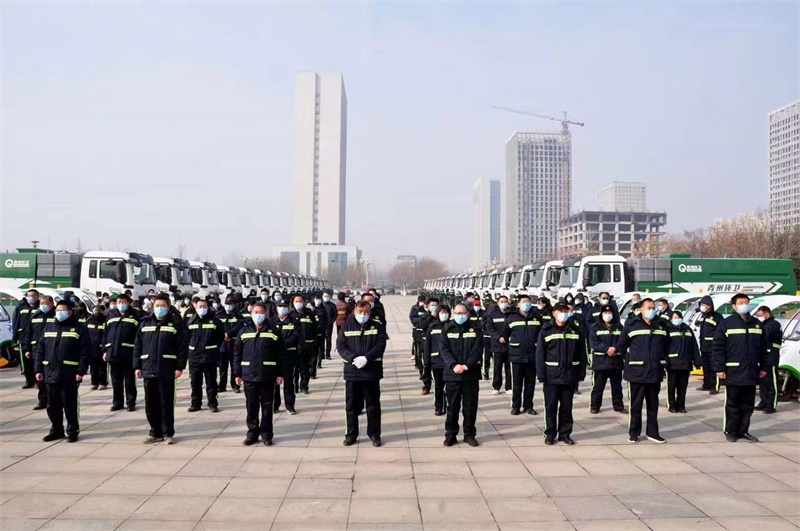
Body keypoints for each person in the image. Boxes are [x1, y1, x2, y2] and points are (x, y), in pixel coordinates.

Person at [713, 294, 768, 443]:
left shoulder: (757, 324)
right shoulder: (726, 324)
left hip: (751, 370)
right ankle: (730, 430)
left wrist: (764, 367)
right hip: (733, 371)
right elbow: (718, 347)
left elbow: (763, 348)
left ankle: (743, 430)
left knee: (748, 404)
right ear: (734, 306)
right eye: (741, 302)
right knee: (733, 403)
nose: (744, 305)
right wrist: (719, 368)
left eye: (746, 302)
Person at [34, 300, 92, 442]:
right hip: (50, 372)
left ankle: (72, 431)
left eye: (62, 310)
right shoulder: (49, 327)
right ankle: (56, 430)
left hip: (69, 373)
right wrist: (38, 369)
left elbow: (85, 351)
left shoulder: (78, 328)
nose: (59, 313)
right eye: (57, 310)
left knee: (69, 404)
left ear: (70, 312)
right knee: (52, 405)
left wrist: (81, 371)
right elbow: (40, 349)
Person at [133, 293, 186, 444]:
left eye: (163, 306)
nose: (160, 308)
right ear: (153, 307)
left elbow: (181, 347)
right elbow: (137, 346)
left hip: (166, 369)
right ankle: (155, 432)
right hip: (148, 368)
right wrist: (137, 366)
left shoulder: (175, 324)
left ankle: (168, 433)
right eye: (157, 306)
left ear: (168, 307)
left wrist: (179, 367)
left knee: (166, 402)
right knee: (151, 404)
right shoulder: (144, 323)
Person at [618, 298, 669, 444]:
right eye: (648, 308)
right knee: (636, 405)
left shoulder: (661, 325)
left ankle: (653, 433)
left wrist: (662, 361)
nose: (652, 310)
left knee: (653, 405)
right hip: (636, 372)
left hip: (654, 371)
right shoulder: (632, 325)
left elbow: (667, 346)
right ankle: (634, 432)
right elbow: (622, 346)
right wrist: (632, 360)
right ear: (641, 309)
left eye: (653, 308)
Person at [338, 300, 387, 447]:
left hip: (371, 372)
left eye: (366, 312)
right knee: (351, 406)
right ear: (355, 312)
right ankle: (351, 434)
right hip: (352, 373)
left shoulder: (377, 326)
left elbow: (380, 345)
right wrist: (353, 358)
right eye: (360, 312)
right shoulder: (346, 327)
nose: (363, 314)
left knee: (373, 406)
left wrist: (367, 358)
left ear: (370, 312)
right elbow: (341, 346)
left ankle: (374, 434)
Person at [235, 302, 284, 446]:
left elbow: (281, 354)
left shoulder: (273, 331)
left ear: (266, 314)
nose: (258, 315)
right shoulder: (244, 331)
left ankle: (266, 434)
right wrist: (237, 374)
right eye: (255, 312)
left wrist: (280, 373)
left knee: (267, 407)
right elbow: (237, 353)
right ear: (251, 314)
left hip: (267, 374)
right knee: (251, 406)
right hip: (249, 374)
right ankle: (252, 433)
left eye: (261, 312)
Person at [536, 302, 586, 445]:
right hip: (551, 376)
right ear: (554, 313)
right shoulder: (546, 330)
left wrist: (581, 372)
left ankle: (565, 434)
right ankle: (550, 433)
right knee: (550, 407)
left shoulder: (575, 330)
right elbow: (540, 354)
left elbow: (581, 353)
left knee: (566, 407)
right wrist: (541, 374)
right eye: (560, 311)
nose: (564, 314)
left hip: (569, 375)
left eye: (566, 311)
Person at [440, 303, 483, 447]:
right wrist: (454, 365)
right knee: (452, 407)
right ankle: (450, 435)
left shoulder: (476, 329)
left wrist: (467, 365)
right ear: (453, 314)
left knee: (470, 407)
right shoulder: (447, 329)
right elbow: (444, 350)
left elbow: (477, 350)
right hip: (452, 375)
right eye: (458, 313)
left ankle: (469, 435)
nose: (460, 316)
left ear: (467, 314)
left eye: (463, 313)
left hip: (470, 374)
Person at [104, 293, 141, 412]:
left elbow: (139, 336)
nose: (121, 304)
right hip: (113, 353)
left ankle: (131, 402)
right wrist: (105, 350)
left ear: (129, 302)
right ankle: (117, 402)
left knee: (129, 380)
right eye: (119, 302)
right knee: (116, 381)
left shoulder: (135, 316)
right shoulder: (111, 315)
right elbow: (105, 334)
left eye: (123, 302)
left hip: (128, 353)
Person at [505, 295, 542, 416]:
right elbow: (505, 334)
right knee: (516, 384)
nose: (526, 303)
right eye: (523, 301)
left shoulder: (536, 317)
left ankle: (528, 406)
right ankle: (515, 406)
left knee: (530, 383)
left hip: (532, 355)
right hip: (516, 355)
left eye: (528, 301)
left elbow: (541, 334)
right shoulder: (511, 318)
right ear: (518, 304)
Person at [185, 298, 224, 413]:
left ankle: (212, 403)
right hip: (195, 357)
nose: (202, 309)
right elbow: (187, 337)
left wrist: (213, 348)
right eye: (200, 307)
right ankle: (195, 403)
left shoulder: (215, 321)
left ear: (208, 307)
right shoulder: (191, 321)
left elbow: (220, 337)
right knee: (195, 383)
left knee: (211, 382)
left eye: (204, 306)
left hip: (209, 357)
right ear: (195, 308)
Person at [588, 304, 626, 414]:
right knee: (598, 387)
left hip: (616, 361)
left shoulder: (619, 327)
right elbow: (594, 343)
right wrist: (606, 349)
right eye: (605, 313)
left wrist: (615, 348)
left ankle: (618, 406)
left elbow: (623, 340)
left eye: (609, 313)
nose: (607, 315)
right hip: (601, 362)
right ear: (601, 314)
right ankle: (595, 406)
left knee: (617, 387)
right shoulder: (595, 327)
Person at [23, 295, 56, 410]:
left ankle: (53, 401)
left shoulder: (56, 315)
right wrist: (27, 349)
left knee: (51, 377)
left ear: (52, 304)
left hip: (51, 350)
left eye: (46, 304)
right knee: (39, 376)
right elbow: (28, 333)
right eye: (41, 303)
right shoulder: (35, 316)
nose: (43, 306)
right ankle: (42, 401)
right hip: (37, 350)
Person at [665, 310, 700, 413]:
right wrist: (664, 360)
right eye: (675, 318)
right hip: (672, 363)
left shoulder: (687, 329)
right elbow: (663, 347)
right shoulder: (667, 329)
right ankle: (671, 405)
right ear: (671, 319)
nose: (677, 319)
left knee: (683, 386)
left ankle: (681, 405)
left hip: (685, 362)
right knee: (672, 386)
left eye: (679, 317)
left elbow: (694, 346)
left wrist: (697, 361)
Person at [271, 301, 299, 414]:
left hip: (288, 355)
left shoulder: (294, 322)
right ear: (276, 308)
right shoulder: (271, 321)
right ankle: (275, 405)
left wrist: (283, 344)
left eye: (284, 306)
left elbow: (296, 336)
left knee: (288, 382)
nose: (282, 308)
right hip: (274, 356)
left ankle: (290, 405)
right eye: (280, 306)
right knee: (274, 382)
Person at [424, 304, 450, 416]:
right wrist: (426, 363)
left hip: (450, 362)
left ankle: (449, 406)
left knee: (450, 387)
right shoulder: (432, 327)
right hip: (436, 361)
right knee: (438, 386)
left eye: (446, 312)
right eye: (442, 312)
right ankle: (438, 407)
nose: (444, 315)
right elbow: (427, 347)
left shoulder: (452, 326)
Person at [755, 305, 782, 414]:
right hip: (763, 357)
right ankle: (764, 402)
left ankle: (771, 405)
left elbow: (766, 335)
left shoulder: (774, 324)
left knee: (771, 382)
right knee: (763, 382)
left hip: (771, 356)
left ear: (767, 314)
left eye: (760, 315)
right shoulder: (762, 325)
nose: (759, 317)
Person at [485, 295, 512, 395]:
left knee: (509, 368)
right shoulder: (492, 314)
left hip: (509, 345)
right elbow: (490, 328)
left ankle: (509, 387)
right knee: (497, 367)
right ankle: (496, 386)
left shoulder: (511, 314)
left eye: (506, 301)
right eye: (502, 301)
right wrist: (498, 337)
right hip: (497, 345)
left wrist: (509, 337)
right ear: (498, 303)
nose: (504, 303)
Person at [696, 295, 724, 395]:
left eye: (704, 304)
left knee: (714, 367)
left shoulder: (717, 317)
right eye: (701, 304)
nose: (702, 306)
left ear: (709, 305)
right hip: (704, 347)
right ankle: (706, 384)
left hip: (713, 347)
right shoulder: (703, 316)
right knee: (706, 366)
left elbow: (720, 331)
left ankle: (714, 386)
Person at [290, 295, 316, 395]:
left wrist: (312, 340)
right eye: (296, 301)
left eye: (300, 301)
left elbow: (314, 328)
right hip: (295, 346)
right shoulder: (291, 315)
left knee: (305, 368)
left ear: (304, 302)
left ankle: (304, 386)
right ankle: (295, 386)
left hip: (306, 345)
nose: (298, 303)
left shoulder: (309, 313)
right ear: (293, 303)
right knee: (295, 369)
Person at [14, 289, 40, 389]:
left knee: (36, 360)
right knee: (25, 361)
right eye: (29, 296)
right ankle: (29, 381)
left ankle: (38, 381)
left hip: (36, 338)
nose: (31, 298)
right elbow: (16, 321)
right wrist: (15, 337)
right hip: (24, 338)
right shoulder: (21, 307)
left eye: (33, 296)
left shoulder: (40, 307)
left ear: (37, 297)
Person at [218, 296, 244, 393]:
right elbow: (217, 327)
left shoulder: (238, 316)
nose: (228, 306)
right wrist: (223, 334)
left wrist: (229, 334)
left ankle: (235, 385)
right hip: (222, 345)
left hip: (234, 344)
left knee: (234, 367)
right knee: (222, 367)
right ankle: (222, 386)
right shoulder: (220, 315)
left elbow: (239, 326)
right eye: (227, 304)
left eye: (230, 304)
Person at [86, 304, 108, 390]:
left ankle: (103, 383)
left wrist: (104, 346)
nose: (97, 313)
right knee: (93, 366)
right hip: (91, 347)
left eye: (99, 311)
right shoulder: (89, 321)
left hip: (101, 347)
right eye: (96, 311)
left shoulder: (105, 321)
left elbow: (106, 335)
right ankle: (94, 382)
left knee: (102, 366)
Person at [469, 300, 491, 380]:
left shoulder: (483, 313)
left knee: (485, 355)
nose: (477, 307)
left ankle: (485, 372)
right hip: (472, 335)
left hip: (482, 335)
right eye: (476, 305)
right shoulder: (470, 313)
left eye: (478, 305)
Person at [410, 297, 429, 375]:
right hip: (418, 333)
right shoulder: (417, 309)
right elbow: (413, 319)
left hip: (427, 334)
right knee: (418, 353)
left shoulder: (433, 311)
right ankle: (419, 366)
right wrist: (424, 318)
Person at [321, 292, 337, 360]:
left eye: (327, 296)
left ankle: (328, 354)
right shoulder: (320, 305)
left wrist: (332, 321)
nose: (326, 297)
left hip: (329, 325)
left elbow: (335, 314)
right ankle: (321, 355)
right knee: (321, 341)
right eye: (324, 296)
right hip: (321, 326)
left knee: (328, 340)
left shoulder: (332, 305)